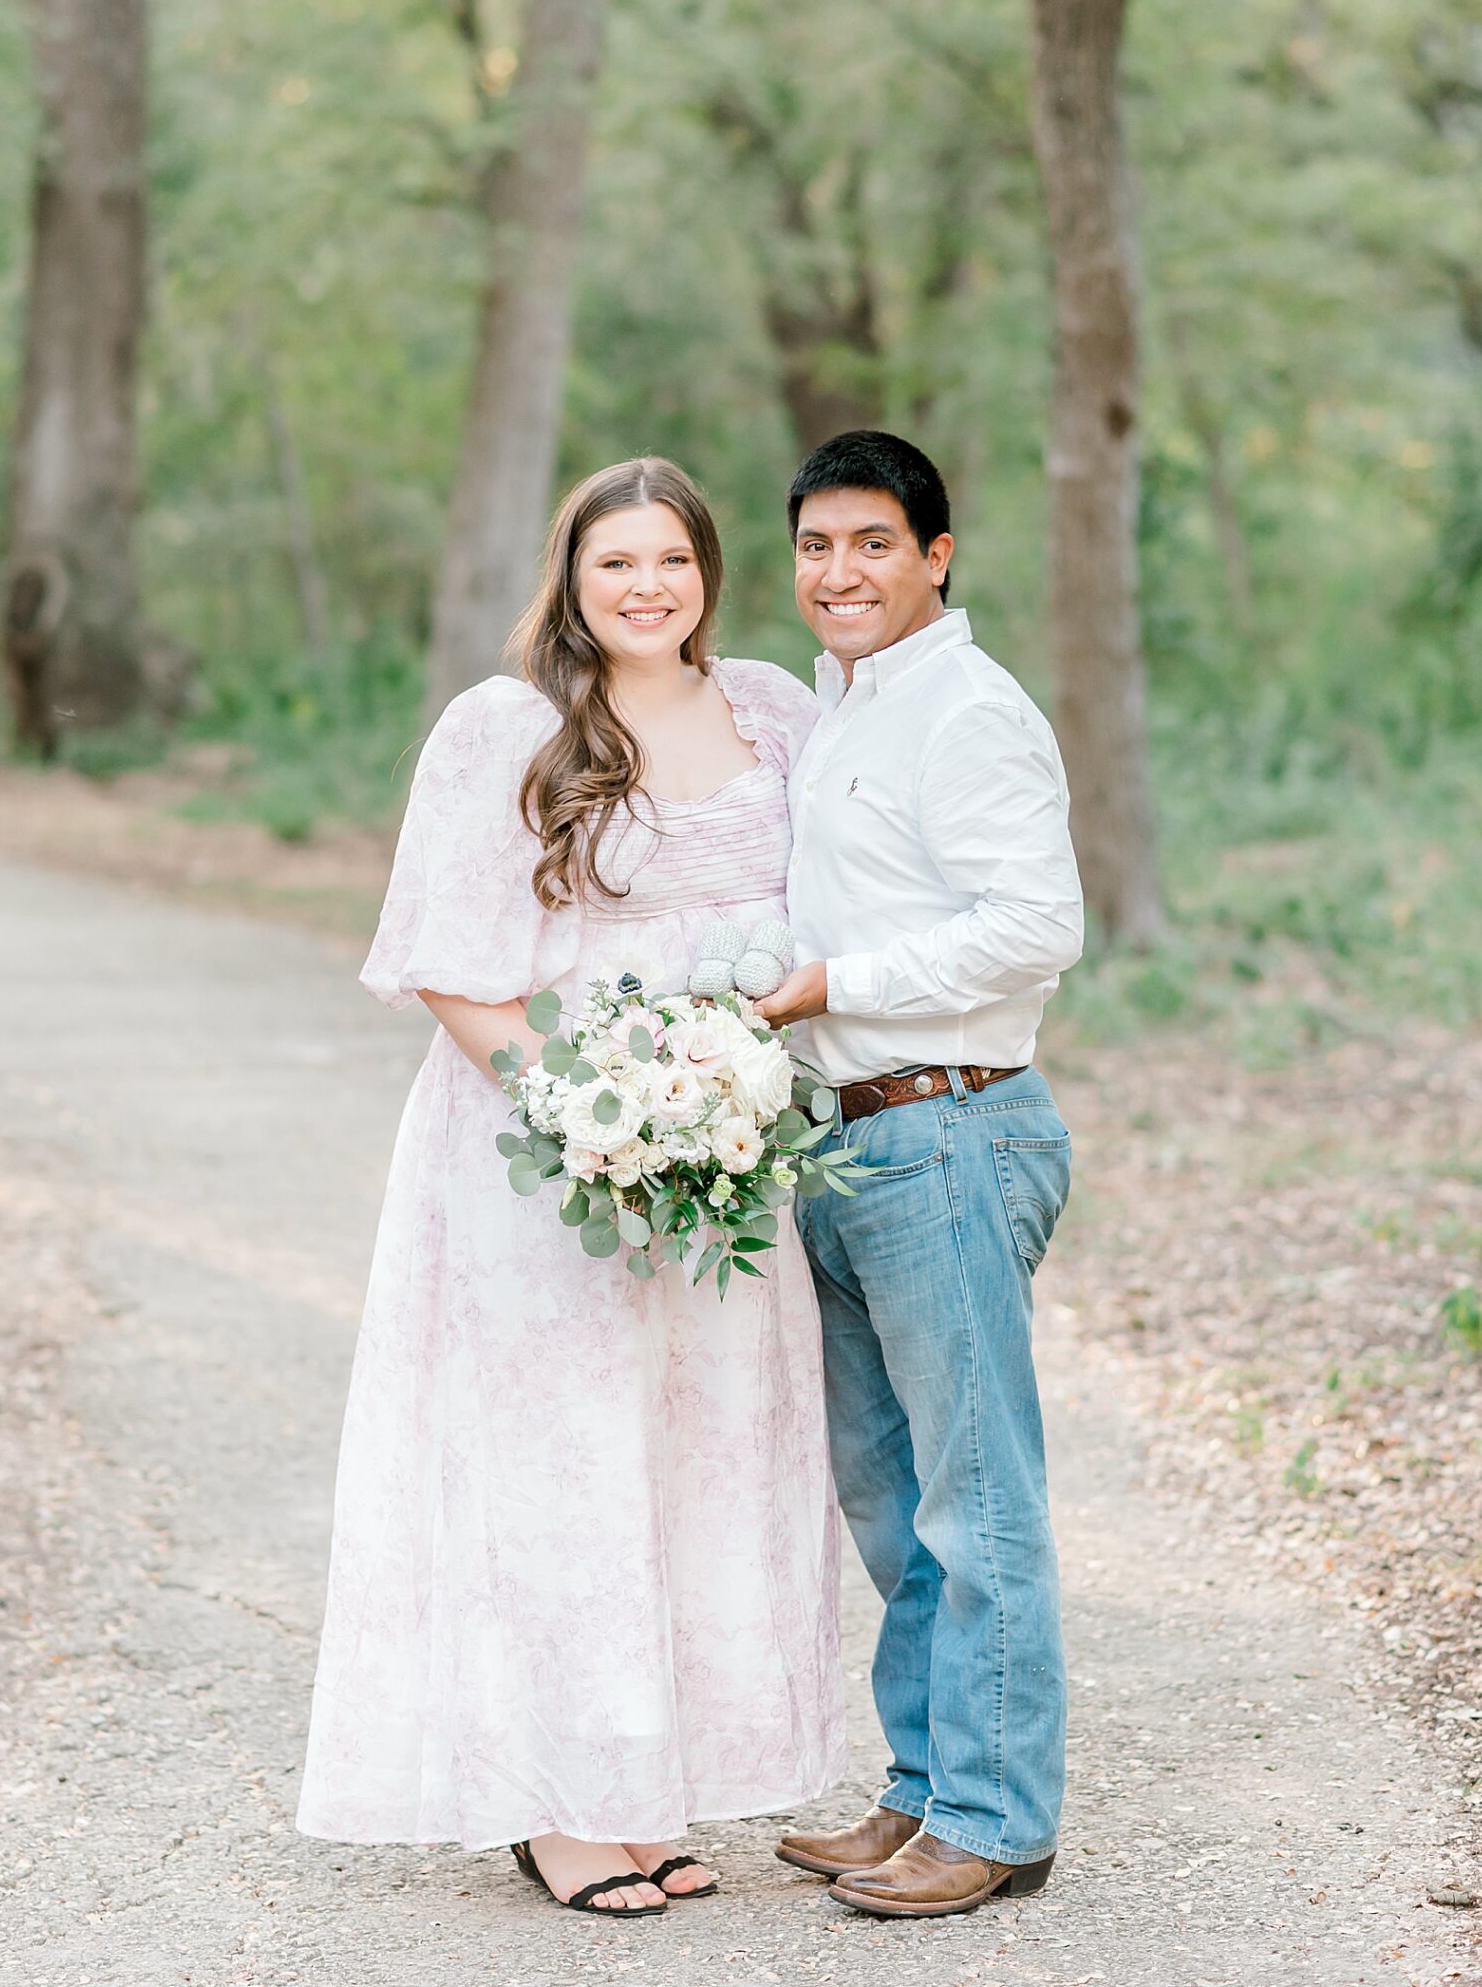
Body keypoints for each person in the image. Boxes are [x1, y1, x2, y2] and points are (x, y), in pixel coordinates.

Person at [297, 456, 845, 1916]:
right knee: (563, 1461)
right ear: (572, 577)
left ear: (708, 574)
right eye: (616, 565)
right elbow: (445, 964)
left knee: (699, 1454)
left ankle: (647, 1791)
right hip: (543, 1157)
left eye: (671, 560)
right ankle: (555, 1805)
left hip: (726, 1151)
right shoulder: (505, 731)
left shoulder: (777, 712)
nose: (646, 587)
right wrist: (585, 1114)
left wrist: (717, 1102)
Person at [755, 428, 1085, 1920]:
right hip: (850, 1139)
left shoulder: (965, 709)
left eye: (872, 544)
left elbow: (1036, 927)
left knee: (974, 1496)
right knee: (889, 1501)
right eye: (818, 546)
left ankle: (998, 1818)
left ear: (934, 556)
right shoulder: (841, 704)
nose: (840, 572)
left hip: (947, 1124)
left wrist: (836, 983)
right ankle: (921, 1790)